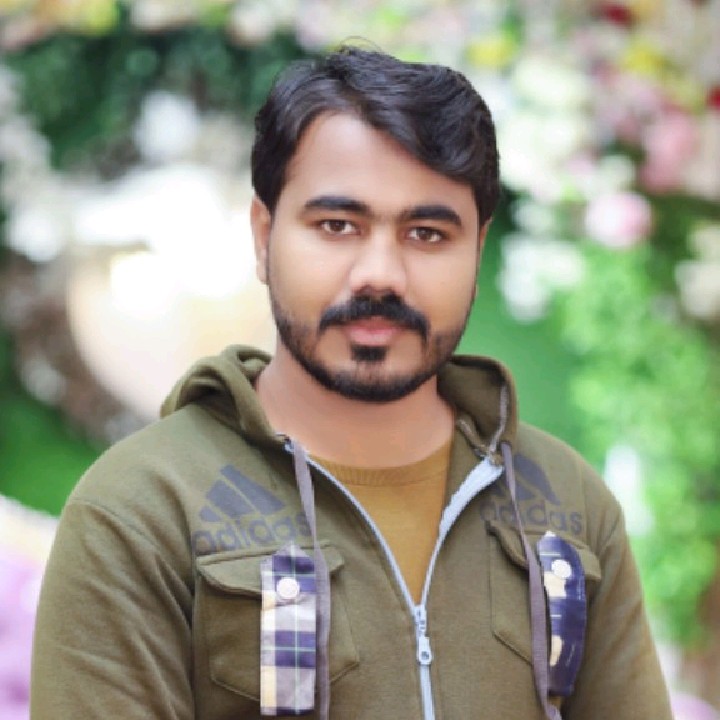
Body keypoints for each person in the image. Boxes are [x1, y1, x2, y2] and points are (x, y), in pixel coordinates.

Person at [31, 46, 673, 720]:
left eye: (427, 233)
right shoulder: (142, 510)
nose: (381, 275)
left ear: (477, 251)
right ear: (263, 236)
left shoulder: (565, 502)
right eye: (337, 226)